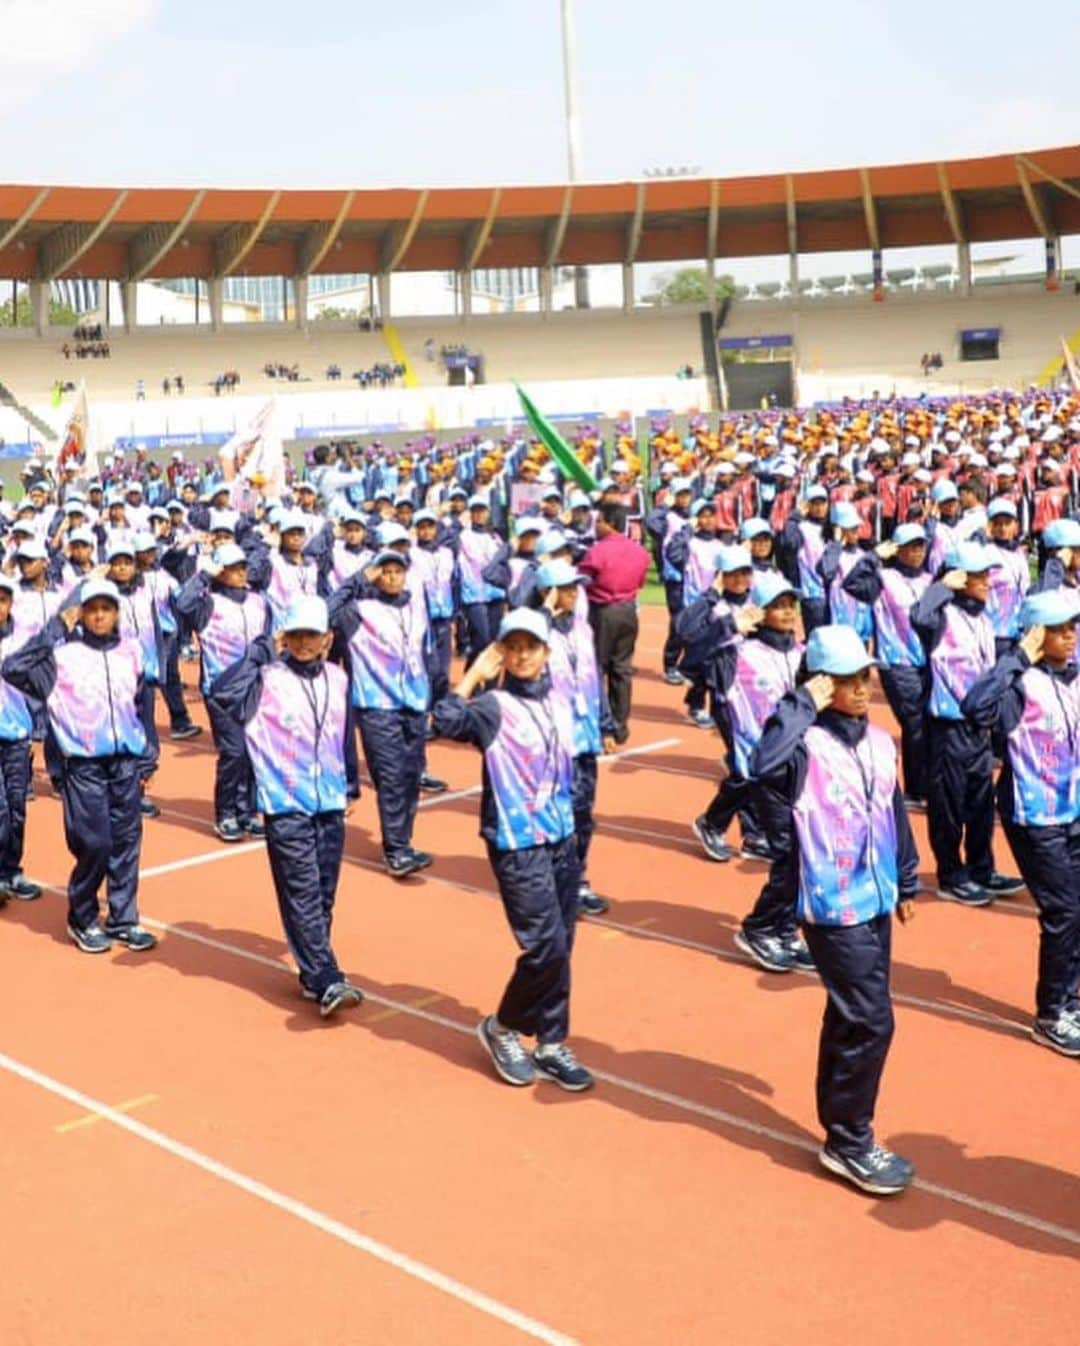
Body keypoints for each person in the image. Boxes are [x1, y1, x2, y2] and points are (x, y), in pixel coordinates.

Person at [752, 625, 918, 1196]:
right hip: (829, 903)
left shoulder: (878, 741)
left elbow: (893, 809)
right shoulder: (803, 748)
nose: (860, 688)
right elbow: (760, 762)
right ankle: (850, 1139)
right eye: (843, 680)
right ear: (822, 684)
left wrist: (910, 878)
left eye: (862, 676)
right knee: (874, 1019)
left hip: (875, 897)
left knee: (850, 1015)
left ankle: (837, 1130)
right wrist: (801, 703)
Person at [434, 609, 593, 1091]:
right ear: (501, 652)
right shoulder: (493, 707)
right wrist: (472, 678)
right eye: (513, 646)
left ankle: (550, 1041)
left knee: (562, 945)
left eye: (531, 646)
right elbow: (441, 722)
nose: (522, 655)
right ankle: (502, 1026)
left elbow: (577, 764)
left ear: (547, 653)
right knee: (544, 946)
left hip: (562, 837)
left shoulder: (562, 699)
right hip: (517, 843)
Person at [210, 596, 363, 1018]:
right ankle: (327, 976)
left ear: (327, 639)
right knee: (301, 890)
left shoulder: (338, 678)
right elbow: (222, 693)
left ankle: (314, 970)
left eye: (311, 635)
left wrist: (350, 783)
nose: (302, 642)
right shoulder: (265, 679)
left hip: (329, 800)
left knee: (323, 890)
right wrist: (262, 648)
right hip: (285, 803)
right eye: (294, 634)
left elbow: (344, 732)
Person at [2, 579, 157, 954]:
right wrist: (57, 626)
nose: (100, 615)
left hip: (124, 763)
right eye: (92, 609)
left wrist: (147, 756)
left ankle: (123, 918)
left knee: (127, 841)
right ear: (82, 613)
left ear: (117, 612)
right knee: (95, 843)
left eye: (106, 608)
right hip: (83, 764)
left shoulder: (132, 652)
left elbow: (142, 705)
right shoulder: (61, 657)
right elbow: (13, 667)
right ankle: (82, 916)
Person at [962, 590, 1080, 1057]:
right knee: (1064, 911)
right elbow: (975, 707)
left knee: (1078, 909)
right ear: (1036, 636)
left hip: (1073, 811)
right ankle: (1050, 1013)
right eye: (1060, 629)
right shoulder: (1017, 687)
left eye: (1073, 627)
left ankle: (1069, 996)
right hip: (1034, 816)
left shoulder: (1071, 678)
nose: (1071, 636)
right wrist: (1016, 658)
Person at [912, 542, 1023, 905]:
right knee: (948, 803)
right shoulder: (941, 616)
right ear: (960, 579)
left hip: (978, 728)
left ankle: (981, 867)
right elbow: (918, 615)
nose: (987, 582)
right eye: (978, 576)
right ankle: (950, 873)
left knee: (980, 801)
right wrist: (943, 585)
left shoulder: (982, 617)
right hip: (948, 727)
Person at [327, 548, 431, 878]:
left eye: (397, 571)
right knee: (391, 777)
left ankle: (403, 840)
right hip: (376, 707)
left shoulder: (416, 605)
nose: (391, 577)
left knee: (412, 775)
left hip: (413, 705)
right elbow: (325, 612)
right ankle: (396, 849)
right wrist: (359, 579)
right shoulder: (359, 611)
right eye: (384, 571)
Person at [534, 558, 617, 916]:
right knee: (553, 811)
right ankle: (551, 878)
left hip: (584, 738)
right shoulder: (535, 635)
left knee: (583, 813)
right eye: (565, 588)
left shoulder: (582, 628)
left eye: (575, 588)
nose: (573, 594)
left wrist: (607, 723)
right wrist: (543, 614)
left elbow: (594, 677)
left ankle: (576, 877)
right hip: (553, 742)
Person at [174, 544, 270, 842]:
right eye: (232, 568)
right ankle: (225, 813)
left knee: (253, 752)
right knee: (233, 752)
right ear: (220, 571)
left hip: (255, 685)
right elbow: (182, 603)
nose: (240, 573)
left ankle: (247, 811)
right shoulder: (208, 605)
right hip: (221, 689)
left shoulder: (259, 602)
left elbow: (269, 640)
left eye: (242, 567)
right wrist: (205, 575)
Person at [578, 502, 649, 744]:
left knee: (596, 667)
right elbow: (640, 582)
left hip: (603, 611)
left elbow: (584, 577)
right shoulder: (639, 551)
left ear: (609, 523)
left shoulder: (598, 551)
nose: (594, 526)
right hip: (628, 611)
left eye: (598, 521)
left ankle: (604, 723)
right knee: (622, 669)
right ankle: (620, 725)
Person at [0, 575, 40, 902]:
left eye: (1, 599)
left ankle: (12, 870)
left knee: (16, 807)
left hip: (16, 734)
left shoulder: (25, 639)